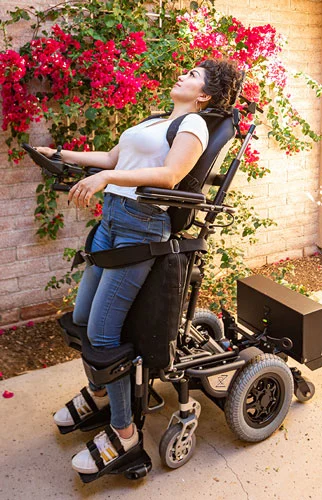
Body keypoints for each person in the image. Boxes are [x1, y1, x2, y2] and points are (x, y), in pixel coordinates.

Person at [36, 58, 245, 476]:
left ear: (203, 96)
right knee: (81, 319)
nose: (181, 74)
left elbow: (169, 176)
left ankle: (125, 433)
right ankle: (101, 396)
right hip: (113, 219)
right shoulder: (154, 121)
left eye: (192, 76)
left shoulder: (195, 126)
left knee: (102, 332)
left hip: (141, 227)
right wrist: (58, 153)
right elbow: (112, 155)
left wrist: (106, 177)